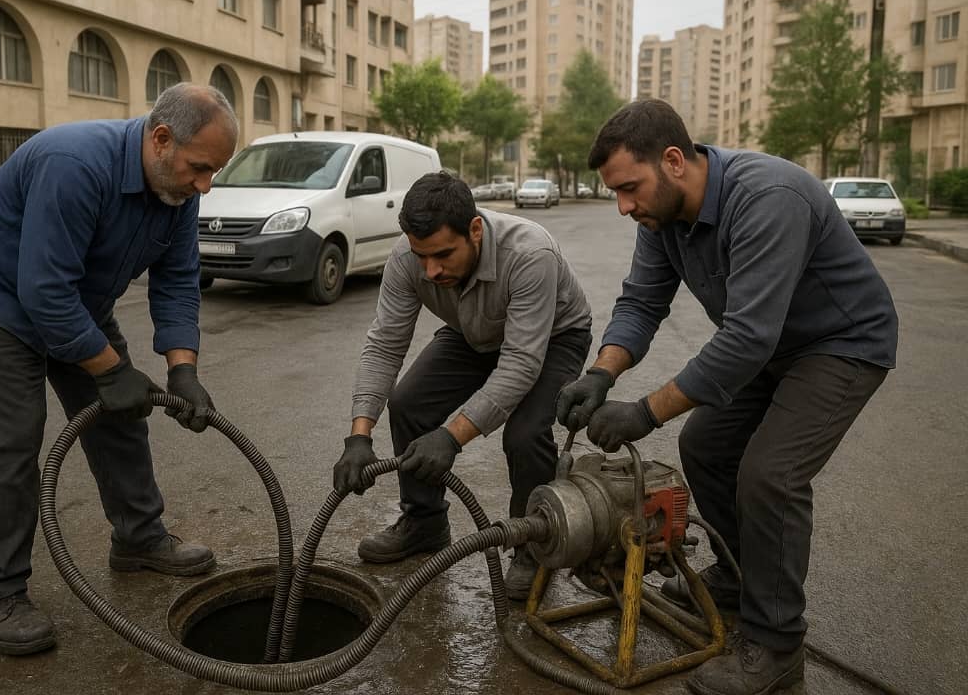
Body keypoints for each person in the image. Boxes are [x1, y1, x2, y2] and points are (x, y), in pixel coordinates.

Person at [555, 99, 897, 695]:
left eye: (630, 188)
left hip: (841, 343)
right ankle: (741, 579)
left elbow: (746, 338)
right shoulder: (663, 219)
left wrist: (642, 412)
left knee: (771, 474)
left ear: (672, 161)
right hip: (770, 348)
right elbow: (641, 302)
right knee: (707, 445)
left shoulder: (768, 196)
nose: (625, 206)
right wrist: (601, 374)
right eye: (616, 193)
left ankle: (776, 641)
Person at [0, 83, 238, 656]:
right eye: (200, 168)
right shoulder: (74, 163)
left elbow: (176, 281)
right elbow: (43, 290)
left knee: (121, 419)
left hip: (76, 302)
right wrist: (110, 368)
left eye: (214, 172)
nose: (205, 184)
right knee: (12, 438)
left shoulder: (180, 190)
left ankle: (139, 539)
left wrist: (182, 369)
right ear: (160, 139)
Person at [332, 171, 592, 600]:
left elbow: (521, 364)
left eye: (444, 255)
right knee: (409, 403)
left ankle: (532, 542)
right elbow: (384, 345)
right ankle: (424, 523)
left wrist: (452, 437)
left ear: (474, 230)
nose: (431, 270)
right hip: (473, 331)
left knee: (525, 434)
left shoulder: (530, 252)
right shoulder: (407, 258)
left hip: (552, 337)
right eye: (422, 257)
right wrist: (358, 436)